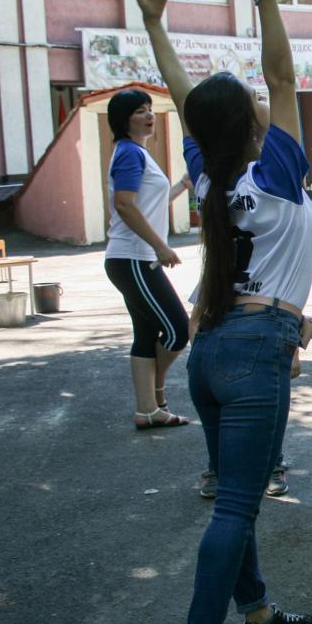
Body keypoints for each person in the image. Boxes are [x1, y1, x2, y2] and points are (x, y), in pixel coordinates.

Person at [139, 0, 312, 624]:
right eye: (254, 102)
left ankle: (261, 616)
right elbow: (281, 77)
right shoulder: (273, 169)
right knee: (240, 503)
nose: (265, 101)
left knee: (237, 497)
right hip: (253, 350)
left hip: (213, 350)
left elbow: (189, 99)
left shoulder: (214, 172)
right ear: (251, 122)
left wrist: (154, 25)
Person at [102, 87, 192, 429]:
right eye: (140, 110)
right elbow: (125, 206)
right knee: (177, 330)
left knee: (145, 333)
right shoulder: (129, 153)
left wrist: (182, 185)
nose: (149, 115)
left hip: (133, 258)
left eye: (149, 109)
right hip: (133, 258)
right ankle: (156, 395)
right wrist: (159, 246)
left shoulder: (137, 152)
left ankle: (148, 410)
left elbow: (145, 205)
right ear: (124, 120)